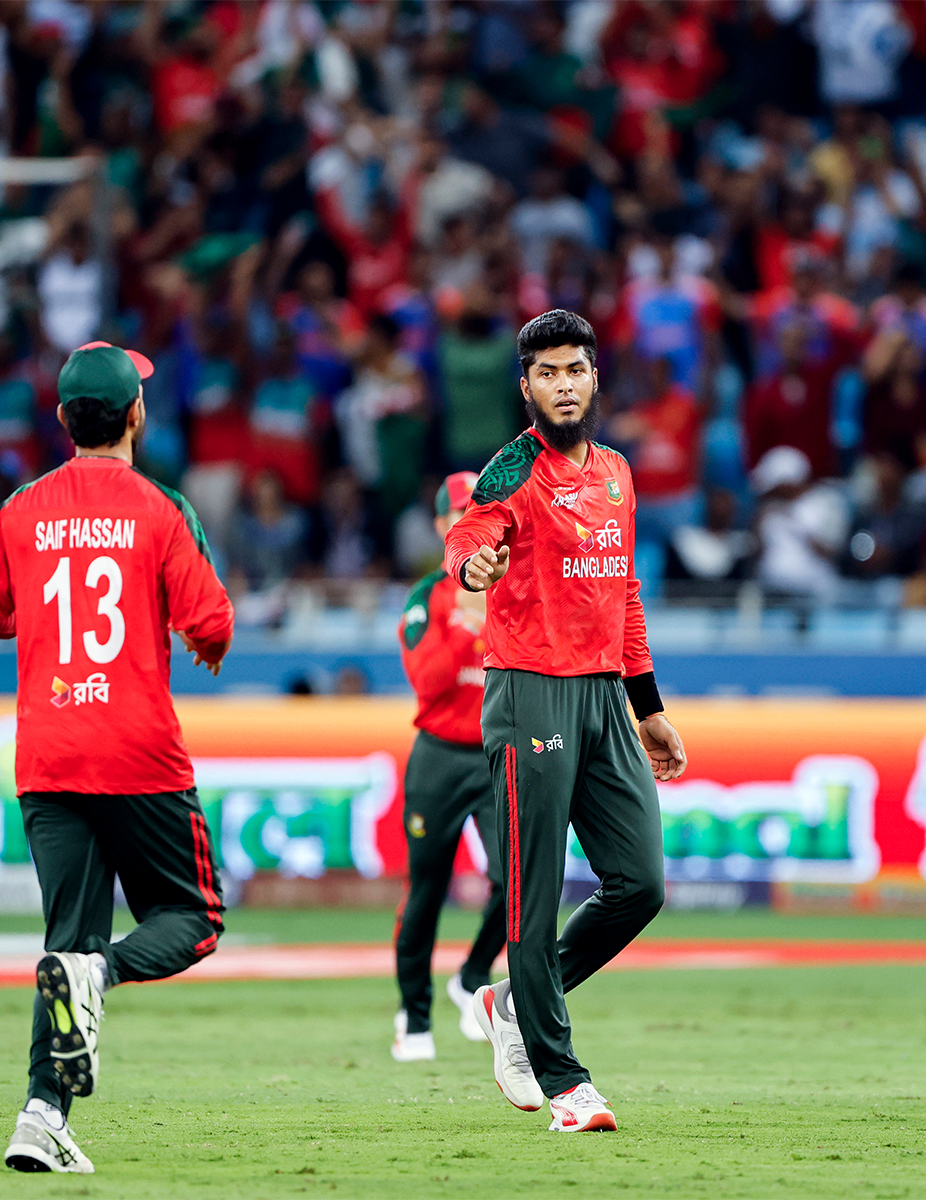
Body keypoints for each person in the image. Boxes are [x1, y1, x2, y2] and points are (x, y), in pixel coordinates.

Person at [0, 342, 233, 1173]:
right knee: (193, 920)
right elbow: (212, 622)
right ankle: (97, 976)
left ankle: (41, 1114)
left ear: (63, 419)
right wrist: (197, 639)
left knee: (64, 940)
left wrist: (42, 615)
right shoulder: (160, 507)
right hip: (137, 750)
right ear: (137, 415)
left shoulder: (23, 507)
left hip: (47, 751)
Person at [442, 309, 687, 1135]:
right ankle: (566, 1082)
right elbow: (470, 535)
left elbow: (624, 596)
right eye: (546, 373)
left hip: (604, 697)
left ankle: (512, 1003)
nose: (563, 385)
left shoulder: (617, 471)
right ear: (527, 387)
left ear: (594, 376)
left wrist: (649, 710)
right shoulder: (514, 468)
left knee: (641, 884)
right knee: (533, 894)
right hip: (531, 693)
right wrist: (472, 565)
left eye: (574, 369)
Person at [391, 471, 507, 1064]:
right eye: (462, 512)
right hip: (438, 755)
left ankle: (472, 977)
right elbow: (428, 683)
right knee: (427, 890)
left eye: (482, 508)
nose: (473, 520)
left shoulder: (516, 585)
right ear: (441, 525)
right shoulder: (426, 597)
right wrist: (466, 624)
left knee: (517, 879)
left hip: (496, 754)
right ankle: (414, 1018)